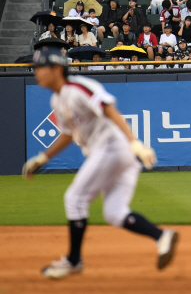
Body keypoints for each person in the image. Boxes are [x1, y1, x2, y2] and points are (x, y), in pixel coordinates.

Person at [23, 49, 178, 279]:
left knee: (75, 199)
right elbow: (67, 133)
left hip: (111, 147)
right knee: (115, 213)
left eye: (40, 68)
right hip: (115, 153)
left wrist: (135, 143)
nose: (36, 73)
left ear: (56, 69)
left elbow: (108, 109)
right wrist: (44, 157)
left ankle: (73, 261)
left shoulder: (77, 88)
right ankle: (162, 237)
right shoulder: (58, 99)